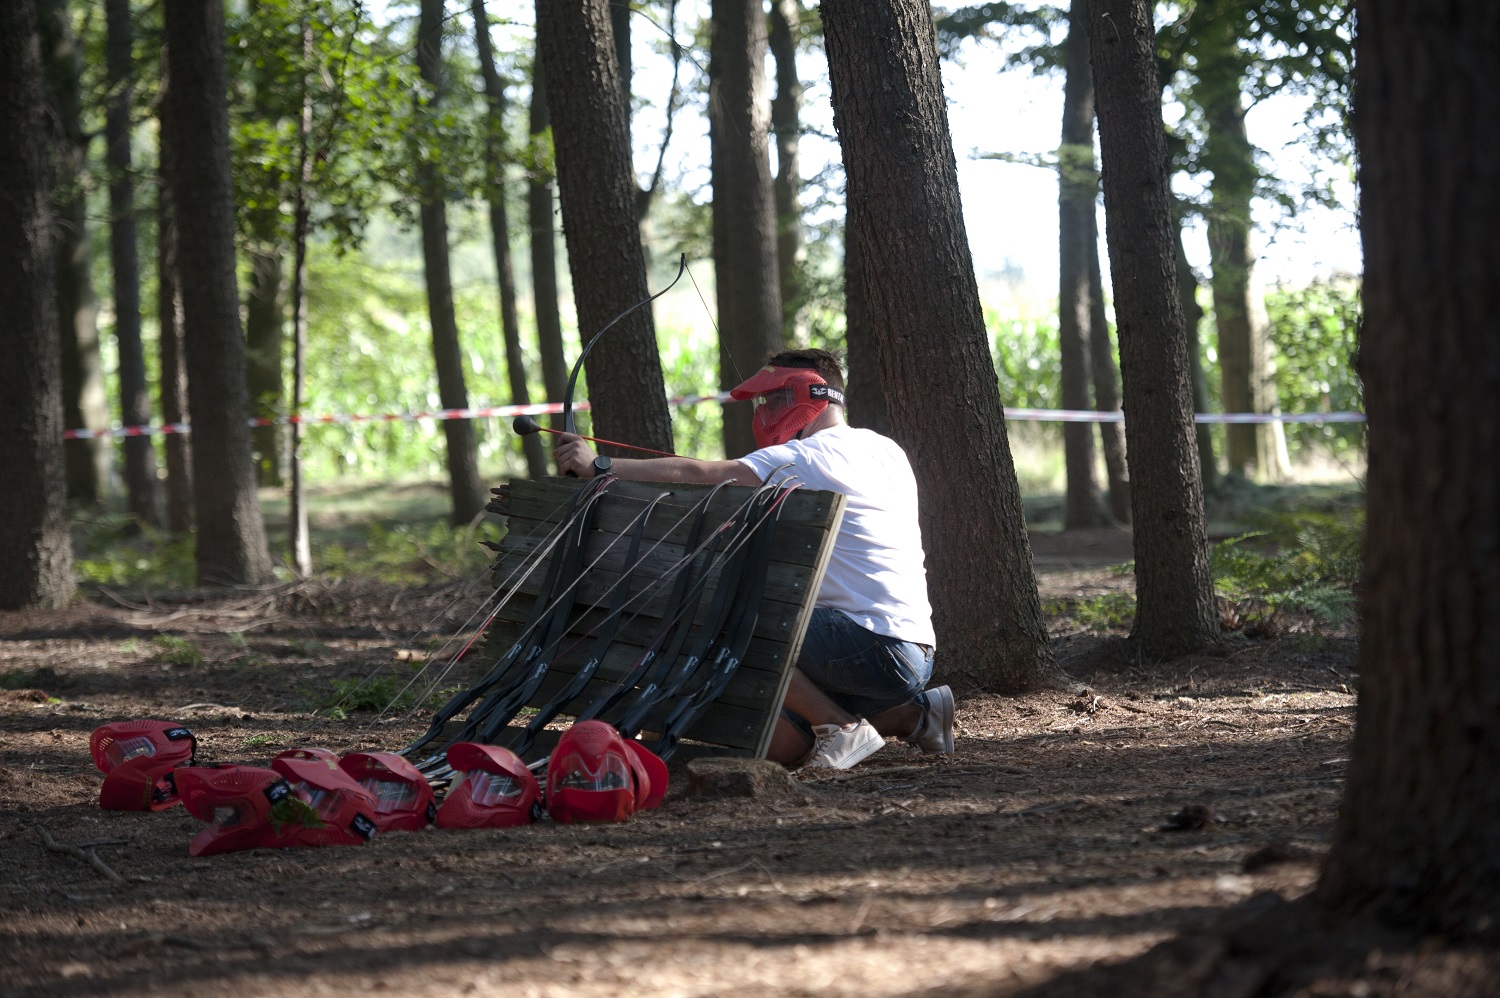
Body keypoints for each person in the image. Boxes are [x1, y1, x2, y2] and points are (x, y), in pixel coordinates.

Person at [553, 349, 952, 770]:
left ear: (811, 395)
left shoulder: (806, 458)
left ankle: (841, 728)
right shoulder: (885, 448)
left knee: (719, 621)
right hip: (913, 650)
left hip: (864, 646)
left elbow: (701, 475)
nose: (765, 412)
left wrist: (599, 464)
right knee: (783, 743)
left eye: (776, 399)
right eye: (763, 402)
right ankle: (918, 713)